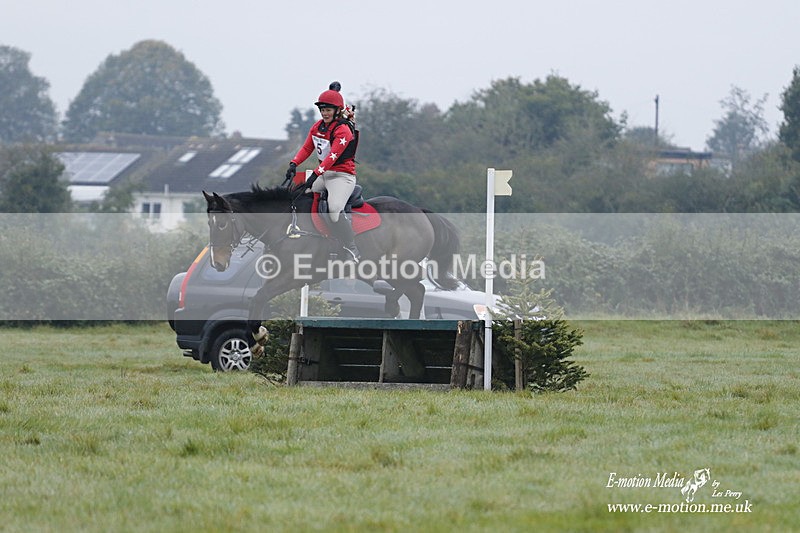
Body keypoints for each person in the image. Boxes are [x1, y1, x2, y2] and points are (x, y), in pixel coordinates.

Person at [285, 82, 361, 262]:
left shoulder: (343, 130)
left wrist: (315, 175)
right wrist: (293, 163)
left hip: (342, 177)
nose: (325, 113)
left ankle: (351, 247)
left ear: (337, 111)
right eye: (323, 110)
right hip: (324, 174)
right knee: (296, 196)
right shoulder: (317, 127)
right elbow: (306, 148)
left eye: (328, 110)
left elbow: (332, 157)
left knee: (334, 209)